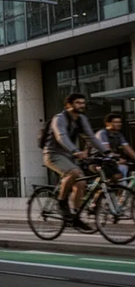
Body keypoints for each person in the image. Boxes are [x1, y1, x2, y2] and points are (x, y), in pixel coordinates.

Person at [43, 93, 108, 230]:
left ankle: (75, 216)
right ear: (68, 105)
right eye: (78, 103)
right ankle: (61, 202)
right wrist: (75, 151)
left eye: (83, 103)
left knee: (82, 182)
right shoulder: (59, 118)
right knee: (74, 172)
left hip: (69, 155)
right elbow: (61, 137)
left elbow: (91, 137)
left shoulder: (81, 119)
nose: (81, 105)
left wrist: (107, 152)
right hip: (53, 154)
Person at [95, 113, 135, 180]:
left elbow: (128, 149)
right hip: (98, 160)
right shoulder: (102, 133)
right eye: (116, 122)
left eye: (120, 122)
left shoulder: (118, 135)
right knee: (117, 177)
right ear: (108, 123)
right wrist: (118, 159)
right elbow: (106, 150)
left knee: (123, 174)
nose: (119, 124)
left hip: (109, 162)